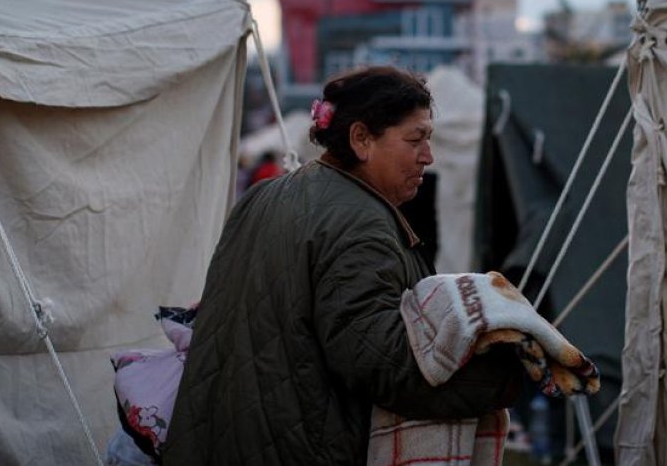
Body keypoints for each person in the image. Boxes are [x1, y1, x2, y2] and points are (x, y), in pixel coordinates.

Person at [164, 66, 523, 465]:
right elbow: (382, 365)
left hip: (216, 440)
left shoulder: (263, 196)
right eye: (415, 139)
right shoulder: (359, 222)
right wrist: (510, 376)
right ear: (361, 139)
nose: (428, 156)